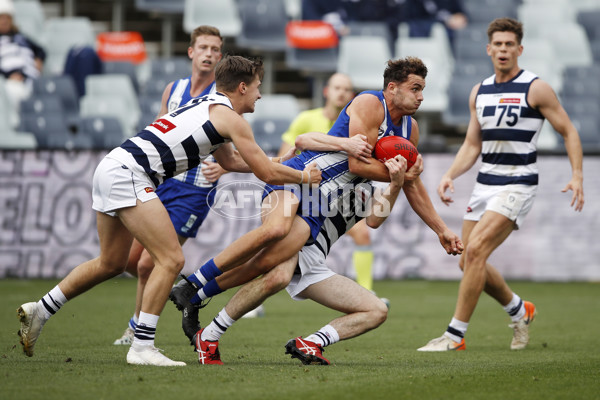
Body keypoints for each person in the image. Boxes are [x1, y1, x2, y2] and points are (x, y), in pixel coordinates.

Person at [16, 54, 322, 367]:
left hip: (111, 165)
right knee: (171, 259)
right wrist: (303, 176)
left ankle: (41, 309)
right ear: (242, 87)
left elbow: (230, 162)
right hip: (130, 174)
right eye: (257, 86)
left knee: (111, 262)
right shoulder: (232, 120)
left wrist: (279, 163)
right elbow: (266, 176)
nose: (260, 94)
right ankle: (142, 346)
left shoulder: (207, 105)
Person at [170, 57, 464, 345]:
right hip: (302, 175)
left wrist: (441, 229)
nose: (421, 97)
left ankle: (196, 297)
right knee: (274, 231)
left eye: (423, 89)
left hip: (320, 204)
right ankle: (193, 283)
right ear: (392, 88)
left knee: (275, 271)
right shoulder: (369, 104)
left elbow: (406, 185)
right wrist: (398, 175)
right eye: (415, 88)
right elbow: (357, 165)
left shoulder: (410, 130)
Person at [417, 18, 584, 352]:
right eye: (499, 44)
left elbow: (569, 130)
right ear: (489, 49)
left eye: (510, 44)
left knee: (476, 251)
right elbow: (471, 145)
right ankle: (520, 310)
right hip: (484, 184)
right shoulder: (479, 91)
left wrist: (577, 174)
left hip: (518, 182)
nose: (504, 50)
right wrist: (451, 173)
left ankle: (454, 336)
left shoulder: (535, 88)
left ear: (519, 49)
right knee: (468, 260)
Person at [194, 148, 407, 365]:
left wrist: (397, 183)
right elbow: (298, 147)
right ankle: (206, 325)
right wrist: (227, 165)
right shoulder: (335, 160)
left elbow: (374, 220)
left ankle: (312, 342)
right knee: (276, 276)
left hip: (314, 260)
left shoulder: (370, 189)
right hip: (297, 233)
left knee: (377, 310)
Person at [112, 25, 228, 346]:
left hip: (195, 189)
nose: (208, 53)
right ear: (191, 52)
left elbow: (236, 148)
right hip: (162, 182)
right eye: (203, 47)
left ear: (220, 57)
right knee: (133, 263)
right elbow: (159, 130)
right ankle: (188, 289)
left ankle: (138, 329)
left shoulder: (222, 98)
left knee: (150, 262)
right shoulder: (173, 89)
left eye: (214, 49)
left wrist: (226, 166)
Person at [277, 72, 381, 300]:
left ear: (352, 96)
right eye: (337, 88)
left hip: (339, 197)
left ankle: (367, 291)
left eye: (346, 89)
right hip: (305, 194)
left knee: (363, 233)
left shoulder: (359, 123)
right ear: (326, 91)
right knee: (278, 244)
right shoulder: (306, 119)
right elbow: (285, 156)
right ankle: (256, 297)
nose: (341, 92)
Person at [0, 0, 46, 127]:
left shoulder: (21, 37)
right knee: (13, 92)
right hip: (8, 83)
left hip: (31, 79)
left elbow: (41, 50)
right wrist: (7, 76)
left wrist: (38, 59)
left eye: (7, 17)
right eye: (1, 17)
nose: (4, 21)